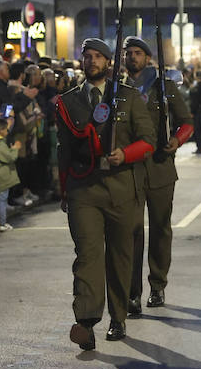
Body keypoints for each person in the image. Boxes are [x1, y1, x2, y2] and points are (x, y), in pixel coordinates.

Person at [57, 38, 156, 351]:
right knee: (87, 256)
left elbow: (148, 139)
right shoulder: (69, 101)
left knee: (119, 256)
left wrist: (124, 155)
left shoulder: (126, 97)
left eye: (98, 56)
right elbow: (63, 151)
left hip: (120, 189)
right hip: (83, 189)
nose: (92, 61)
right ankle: (86, 321)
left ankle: (118, 315)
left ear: (109, 61)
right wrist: (63, 190)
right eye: (87, 56)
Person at [121, 35, 194, 312]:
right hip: (130, 170)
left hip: (160, 166)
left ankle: (157, 285)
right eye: (128, 53)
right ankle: (132, 293)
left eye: (137, 53)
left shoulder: (164, 86)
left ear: (148, 58)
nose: (132, 57)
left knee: (160, 229)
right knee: (131, 232)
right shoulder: (118, 88)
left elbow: (186, 122)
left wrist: (176, 141)